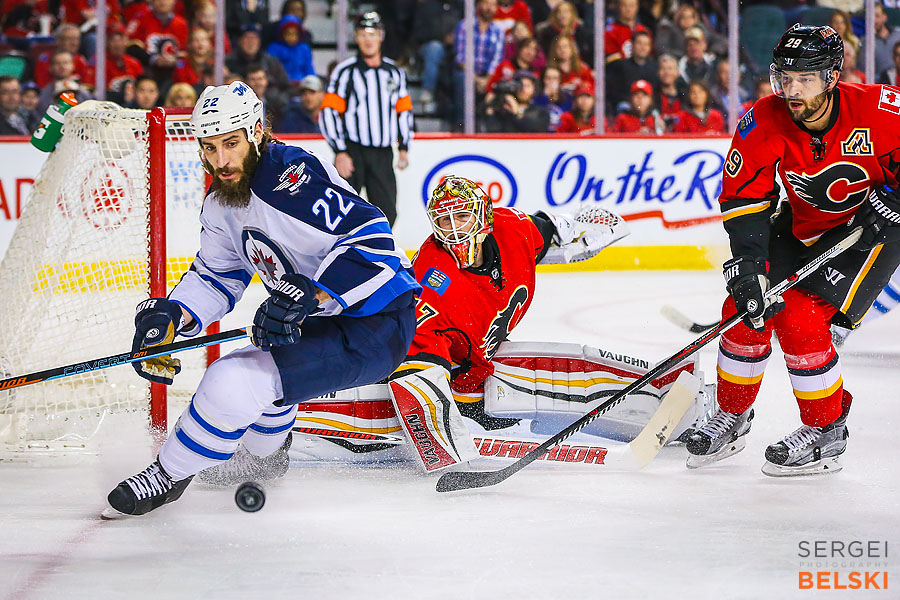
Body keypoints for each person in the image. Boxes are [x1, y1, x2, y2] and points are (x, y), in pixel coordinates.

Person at [103, 80, 419, 516]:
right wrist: (174, 315)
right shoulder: (220, 203)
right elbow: (218, 275)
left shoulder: (289, 177)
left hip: (374, 321)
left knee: (232, 378)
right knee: (265, 369)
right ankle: (265, 458)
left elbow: (374, 237)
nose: (221, 160)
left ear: (254, 132)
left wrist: (316, 292)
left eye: (231, 143)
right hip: (313, 318)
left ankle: (167, 476)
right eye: (209, 148)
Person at [686, 25, 900, 476]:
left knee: (800, 318)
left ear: (832, 77)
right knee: (745, 305)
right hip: (802, 227)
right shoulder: (763, 119)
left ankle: (826, 429)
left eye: (805, 78)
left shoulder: (880, 109)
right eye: (784, 77)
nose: (792, 89)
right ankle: (732, 415)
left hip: (873, 236)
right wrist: (747, 264)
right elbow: (745, 198)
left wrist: (895, 202)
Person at [389, 176, 629, 464]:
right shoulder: (432, 277)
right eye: (444, 221)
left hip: (488, 359)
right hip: (460, 383)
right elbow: (414, 362)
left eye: (463, 216)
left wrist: (583, 232)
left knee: (551, 371)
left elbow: (554, 230)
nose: (454, 231)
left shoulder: (514, 229)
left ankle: (637, 406)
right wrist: (446, 451)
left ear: (484, 217)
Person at [320, 11, 413, 227]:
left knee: (388, 211)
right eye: (362, 34)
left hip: (382, 151)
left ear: (381, 36)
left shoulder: (394, 73)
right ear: (355, 37)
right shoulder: (345, 72)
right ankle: (345, 254)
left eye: (372, 34)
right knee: (344, 209)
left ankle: (375, 252)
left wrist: (404, 146)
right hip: (354, 150)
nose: (367, 40)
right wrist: (340, 151)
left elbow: (403, 111)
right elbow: (329, 112)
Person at [451, 0, 505, 130]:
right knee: (461, 78)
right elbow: (461, 57)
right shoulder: (465, 26)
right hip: (467, 72)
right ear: (479, 5)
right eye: (487, 3)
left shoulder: (498, 31)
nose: (489, 8)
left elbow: (496, 60)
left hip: (488, 75)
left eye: (493, 5)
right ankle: (461, 123)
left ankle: (488, 126)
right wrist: (475, 79)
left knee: (501, 83)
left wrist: (487, 80)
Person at [226, 22, 291, 95]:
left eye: (254, 38)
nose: (251, 42)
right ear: (240, 41)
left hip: (269, 103)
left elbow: (286, 86)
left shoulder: (271, 61)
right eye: (247, 38)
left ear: (259, 41)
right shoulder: (228, 62)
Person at [482, 69, 549, 132]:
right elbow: (492, 131)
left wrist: (516, 111)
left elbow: (537, 129)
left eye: (527, 86)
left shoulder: (541, 112)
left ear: (534, 89)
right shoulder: (503, 110)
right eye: (519, 85)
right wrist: (489, 107)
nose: (523, 89)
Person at [265, 15, 315, 82]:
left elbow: (309, 69)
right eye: (288, 33)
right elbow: (272, 71)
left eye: (295, 34)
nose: (291, 37)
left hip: (302, 84)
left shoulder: (304, 48)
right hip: (281, 85)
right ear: (281, 33)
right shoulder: (274, 48)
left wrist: (312, 81)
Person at [874, 2, 900, 76]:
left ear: (884, 17)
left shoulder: (898, 36)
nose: (874, 20)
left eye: (877, 16)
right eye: (870, 17)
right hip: (879, 83)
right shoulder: (866, 42)